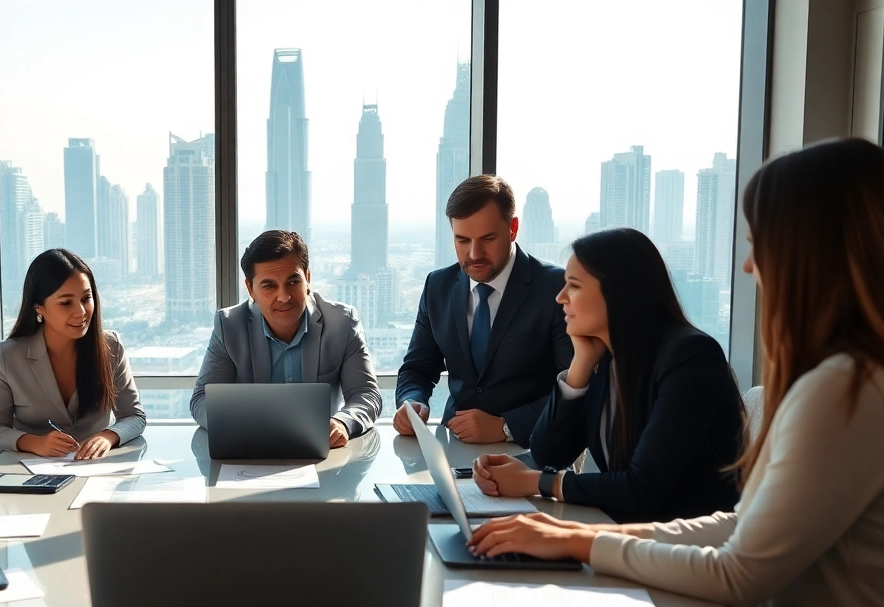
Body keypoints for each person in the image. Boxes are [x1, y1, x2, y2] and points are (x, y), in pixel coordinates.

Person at [468, 138, 884, 607]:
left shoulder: (845, 392)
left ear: (813, 254)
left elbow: (739, 572)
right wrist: (576, 537)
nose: (750, 265)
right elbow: (738, 526)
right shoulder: (860, 381)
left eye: (762, 244)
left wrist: (580, 540)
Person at [471, 228, 744, 522]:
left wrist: (536, 482)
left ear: (618, 293)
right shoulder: (609, 359)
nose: (560, 297)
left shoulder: (691, 358)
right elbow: (548, 453)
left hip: (686, 552)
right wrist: (581, 364)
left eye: (573, 286)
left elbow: (642, 488)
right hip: (629, 537)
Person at [394, 175, 573, 445]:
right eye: (462, 240)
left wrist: (507, 427)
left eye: (487, 238)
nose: (474, 254)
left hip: (531, 451)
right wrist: (412, 403)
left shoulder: (554, 288)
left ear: (512, 228)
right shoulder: (437, 286)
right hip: (453, 448)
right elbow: (417, 368)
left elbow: (574, 388)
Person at [190, 229, 381, 448]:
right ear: (250, 289)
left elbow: (366, 394)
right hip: (252, 451)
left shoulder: (342, 323)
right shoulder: (230, 325)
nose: (284, 297)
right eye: (269, 286)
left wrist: (342, 422)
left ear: (307, 279)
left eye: (293, 282)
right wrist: (249, 426)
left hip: (323, 451)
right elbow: (201, 401)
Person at [0, 249, 145, 458]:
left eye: (86, 298)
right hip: (29, 472)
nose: (81, 311)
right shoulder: (8, 356)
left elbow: (134, 416)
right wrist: (33, 442)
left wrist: (108, 436)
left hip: (95, 470)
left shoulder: (111, 347)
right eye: (66, 302)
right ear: (39, 307)